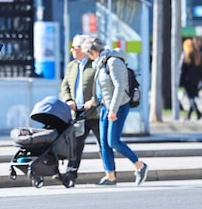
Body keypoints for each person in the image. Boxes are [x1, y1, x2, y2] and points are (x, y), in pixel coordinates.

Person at [82, 37, 148, 186]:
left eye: (88, 54)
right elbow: (103, 88)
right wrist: (94, 101)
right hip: (105, 107)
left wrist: (113, 110)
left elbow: (119, 86)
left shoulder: (113, 61)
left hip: (118, 106)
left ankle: (140, 165)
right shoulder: (100, 64)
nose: (88, 57)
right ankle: (110, 176)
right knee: (104, 144)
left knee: (113, 141)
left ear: (93, 51)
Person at [58, 34, 100, 187]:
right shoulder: (71, 66)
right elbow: (64, 86)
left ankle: (110, 173)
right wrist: (68, 100)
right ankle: (70, 175)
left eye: (74, 47)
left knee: (103, 144)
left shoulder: (95, 64)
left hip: (95, 112)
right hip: (78, 113)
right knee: (75, 145)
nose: (71, 50)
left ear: (82, 49)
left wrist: (94, 100)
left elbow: (101, 86)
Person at [179, 38, 202, 120]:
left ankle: (198, 113)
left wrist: (179, 81)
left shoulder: (186, 55)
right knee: (192, 97)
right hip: (196, 80)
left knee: (191, 97)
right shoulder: (197, 54)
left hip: (187, 80)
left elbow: (181, 69)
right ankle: (189, 115)